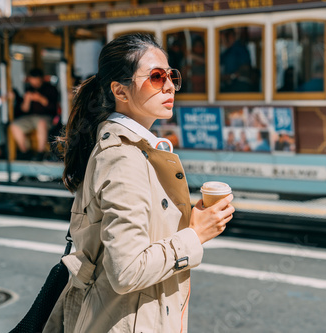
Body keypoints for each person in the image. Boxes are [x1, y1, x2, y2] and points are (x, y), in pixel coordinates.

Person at [43, 33, 234, 333]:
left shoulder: (134, 150)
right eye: (156, 77)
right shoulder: (123, 158)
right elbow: (126, 270)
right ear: (120, 90)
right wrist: (195, 235)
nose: (170, 85)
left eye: (171, 75)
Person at [10, 68, 58, 160]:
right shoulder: (29, 89)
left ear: (41, 79)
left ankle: (40, 153)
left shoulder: (50, 88)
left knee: (41, 123)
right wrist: (26, 100)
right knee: (14, 125)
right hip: (30, 117)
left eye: (36, 79)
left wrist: (40, 98)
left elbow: (53, 107)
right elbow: (24, 110)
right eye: (32, 80)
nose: (34, 82)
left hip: (46, 117)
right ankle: (25, 152)